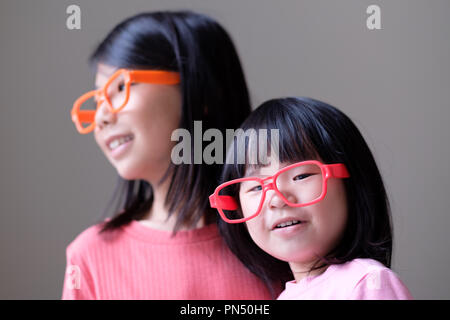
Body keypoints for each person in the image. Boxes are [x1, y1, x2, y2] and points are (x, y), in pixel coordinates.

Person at [62, 11, 276, 299]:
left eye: (121, 87)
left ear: (198, 89)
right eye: (98, 98)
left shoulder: (280, 229)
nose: (100, 117)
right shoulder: (89, 257)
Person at [210, 97, 413, 299]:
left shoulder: (367, 283)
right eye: (255, 187)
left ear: (352, 183)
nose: (276, 199)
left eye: (301, 176)